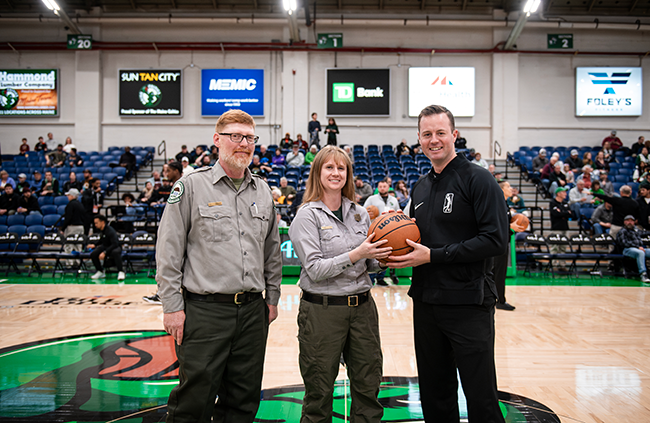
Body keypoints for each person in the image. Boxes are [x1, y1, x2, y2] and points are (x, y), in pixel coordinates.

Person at [156, 109, 282, 422]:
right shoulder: (191, 187)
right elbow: (169, 251)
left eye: (250, 138)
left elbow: (271, 250)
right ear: (217, 140)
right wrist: (172, 307)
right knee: (193, 402)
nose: (244, 144)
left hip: (253, 312)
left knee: (243, 400)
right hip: (205, 312)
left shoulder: (264, 191)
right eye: (235, 136)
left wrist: (273, 298)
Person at [387, 105, 509, 423]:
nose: (434, 140)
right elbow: (416, 239)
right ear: (419, 139)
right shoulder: (421, 186)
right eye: (427, 134)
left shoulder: (479, 180)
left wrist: (434, 255)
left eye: (441, 133)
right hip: (426, 302)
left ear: (454, 135)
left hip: (469, 302)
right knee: (434, 395)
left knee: (480, 396)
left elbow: (495, 241)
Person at [288, 145, 391, 423]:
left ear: (348, 174)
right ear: (317, 172)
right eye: (329, 167)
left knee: (368, 386)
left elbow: (368, 265)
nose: (336, 173)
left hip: (362, 309)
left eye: (341, 168)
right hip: (322, 311)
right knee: (319, 392)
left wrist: (385, 257)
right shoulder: (306, 216)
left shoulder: (360, 213)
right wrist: (358, 253)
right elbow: (315, 269)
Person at [494, 181, 527, 312]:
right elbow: (493, 223)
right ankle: (500, 300)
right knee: (498, 273)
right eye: (508, 186)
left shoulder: (505, 204)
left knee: (498, 273)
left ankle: (498, 299)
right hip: (497, 242)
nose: (511, 188)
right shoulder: (498, 203)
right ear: (501, 189)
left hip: (503, 241)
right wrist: (509, 226)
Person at [88, 214, 125, 281]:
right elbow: (102, 239)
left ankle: (121, 271)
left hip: (114, 247)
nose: (95, 225)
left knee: (115, 252)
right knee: (94, 254)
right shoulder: (102, 230)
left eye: (96, 223)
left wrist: (105, 252)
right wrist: (95, 245)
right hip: (106, 246)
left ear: (102, 222)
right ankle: (100, 271)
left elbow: (115, 244)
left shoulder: (110, 231)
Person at [617, 215, 650, 284]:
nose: (630, 222)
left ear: (634, 222)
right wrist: (637, 247)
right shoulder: (622, 231)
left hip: (639, 248)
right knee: (640, 253)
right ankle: (643, 274)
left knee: (646, 251)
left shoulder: (636, 230)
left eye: (631, 221)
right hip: (627, 250)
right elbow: (624, 243)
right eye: (628, 221)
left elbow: (644, 233)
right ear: (624, 222)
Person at [60, 188, 87, 260]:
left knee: (69, 245)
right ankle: (78, 263)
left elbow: (68, 218)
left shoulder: (70, 205)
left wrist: (63, 229)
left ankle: (69, 264)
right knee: (78, 246)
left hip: (72, 227)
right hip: (81, 227)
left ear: (72, 196)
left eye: (69, 195)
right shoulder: (81, 205)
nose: (67, 197)